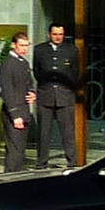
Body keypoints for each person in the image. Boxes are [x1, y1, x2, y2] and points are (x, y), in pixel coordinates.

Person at [32, 23, 78, 168]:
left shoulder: (71, 50)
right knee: (43, 133)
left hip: (65, 96)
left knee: (68, 133)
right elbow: (37, 72)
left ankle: (72, 162)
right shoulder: (39, 50)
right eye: (55, 34)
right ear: (49, 34)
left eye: (61, 34)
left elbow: (75, 73)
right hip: (46, 95)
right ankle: (41, 162)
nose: (58, 37)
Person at [0, 32, 36, 172]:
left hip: (24, 110)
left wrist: (32, 93)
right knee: (14, 150)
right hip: (14, 113)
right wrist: (15, 115)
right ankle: (10, 178)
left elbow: (29, 83)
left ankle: (17, 175)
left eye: (26, 46)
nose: (24, 49)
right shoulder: (8, 64)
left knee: (20, 150)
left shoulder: (24, 63)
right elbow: (7, 91)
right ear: (13, 45)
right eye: (21, 45)